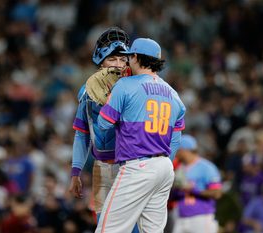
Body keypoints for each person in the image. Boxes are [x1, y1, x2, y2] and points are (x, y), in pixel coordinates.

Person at [96, 38, 186, 233]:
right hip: (164, 168)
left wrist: (109, 97)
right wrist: (159, 164)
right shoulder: (174, 95)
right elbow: (176, 140)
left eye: (129, 57)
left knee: (107, 230)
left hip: (137, 167)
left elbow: (103, 124)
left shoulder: (125, 85)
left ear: (135, 57)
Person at [68, 27, 130, 218]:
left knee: (132, 224)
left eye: (122, 59)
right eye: (112, 58)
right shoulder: (87, 93)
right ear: (101, 62)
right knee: (104, 223)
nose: (118, 64)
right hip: (101, 165)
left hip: (130, 166)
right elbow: (82, 133)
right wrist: (75, 171)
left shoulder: (136, 89)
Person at [171, 134, 222, 233]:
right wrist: (177, 190)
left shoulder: (206, 167)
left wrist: (194, 190)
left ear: (185, 150)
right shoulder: (178, 168)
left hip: (201, 217)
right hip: (180, 216)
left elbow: (217, 193)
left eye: (178, 150)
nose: (176, 153)